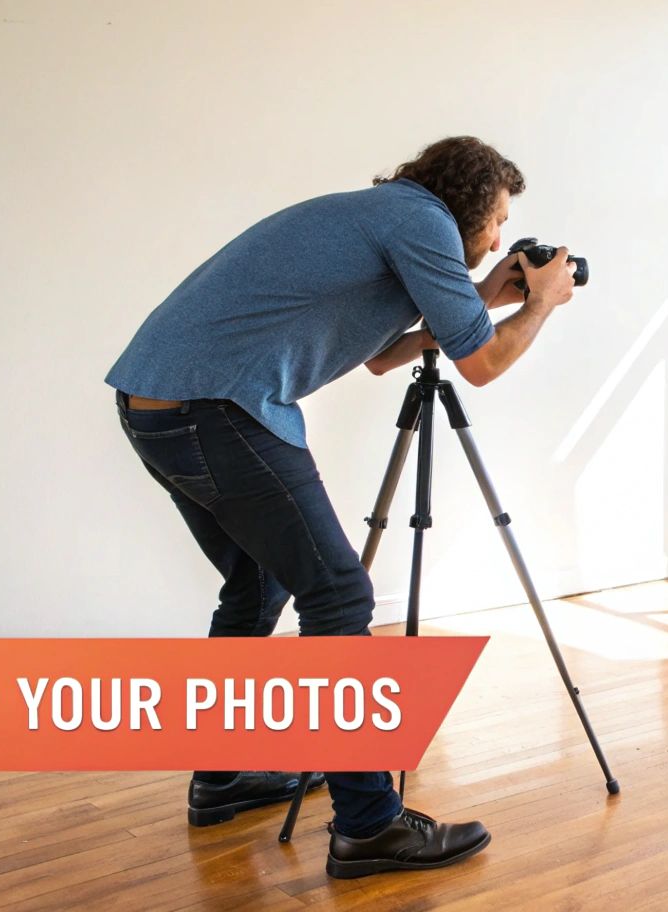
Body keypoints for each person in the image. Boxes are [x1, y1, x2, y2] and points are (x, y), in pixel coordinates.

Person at [104, 136, 574, 879]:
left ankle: (220, 778)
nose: (494, 241)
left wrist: (482, 297)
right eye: (496, 220)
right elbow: (481, 364)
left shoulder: (387, 218)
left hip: (156, 402)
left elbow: (383, 357)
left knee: (258, 586)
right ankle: (368, 827)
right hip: (216, 407)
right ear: (470, 203)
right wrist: (542, 303)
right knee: (340, 593)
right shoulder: (420, 224)